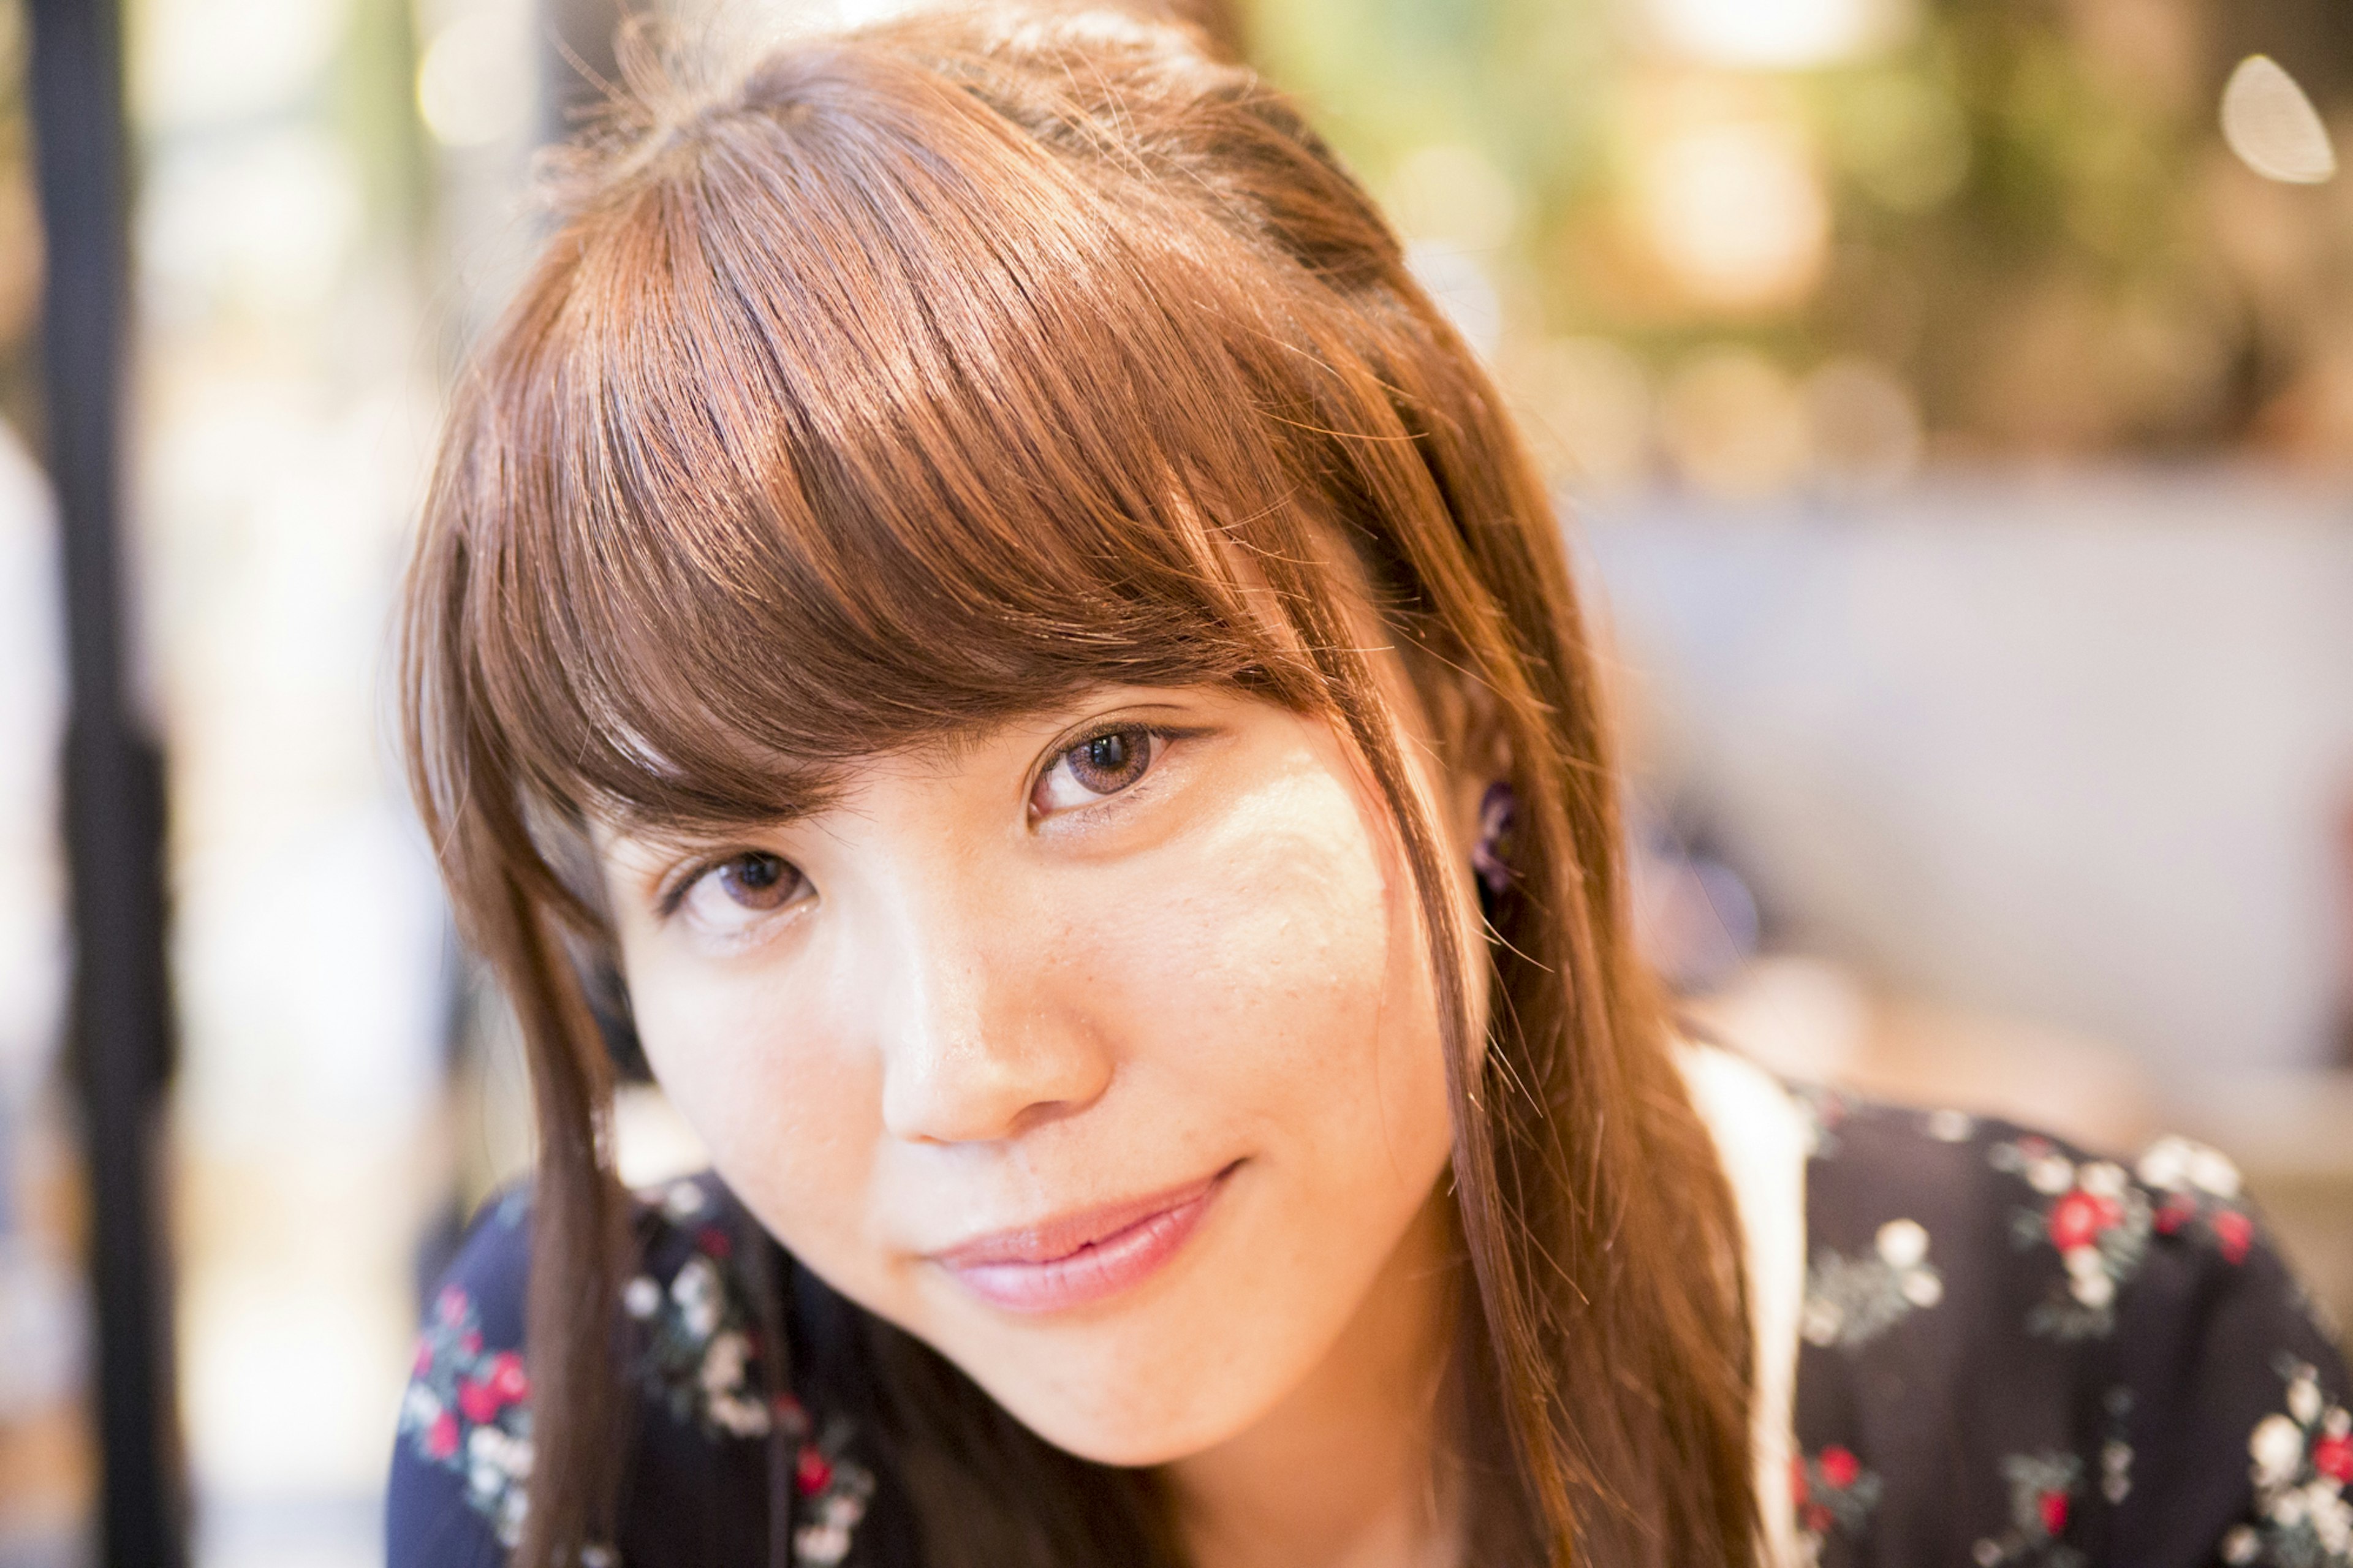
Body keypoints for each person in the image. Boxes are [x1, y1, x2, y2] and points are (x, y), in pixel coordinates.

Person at [385, 7, 2353, 1566]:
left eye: (1104, 760)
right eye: (743, 876)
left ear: (1477, 706)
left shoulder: (2098, 1386)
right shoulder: (622, 1420)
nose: (962, 1071)